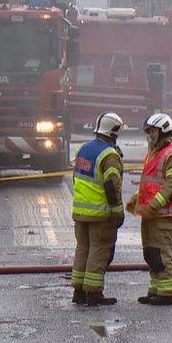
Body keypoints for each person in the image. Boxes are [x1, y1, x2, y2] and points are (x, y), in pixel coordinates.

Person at [126, 113, 172, 306]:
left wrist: (153, 205)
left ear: (163, 131)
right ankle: (155, 290)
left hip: (162, 215)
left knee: (161, 254)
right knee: (151, 253)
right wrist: (136, 201)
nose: (150, 135)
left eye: (153, 131)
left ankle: (168, 292)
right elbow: (149, 185)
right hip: (150, 214)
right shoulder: (154, 152)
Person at [71, 112, 125, 306]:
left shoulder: (82, 149)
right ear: (113, 132)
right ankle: (93, 293)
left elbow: (76, 178)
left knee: (82, 249)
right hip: (100, 214)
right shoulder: (109, 155)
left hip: (80, 212)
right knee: (99, 251)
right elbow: (111, 186)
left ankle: (78, 291)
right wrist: (118, 211)